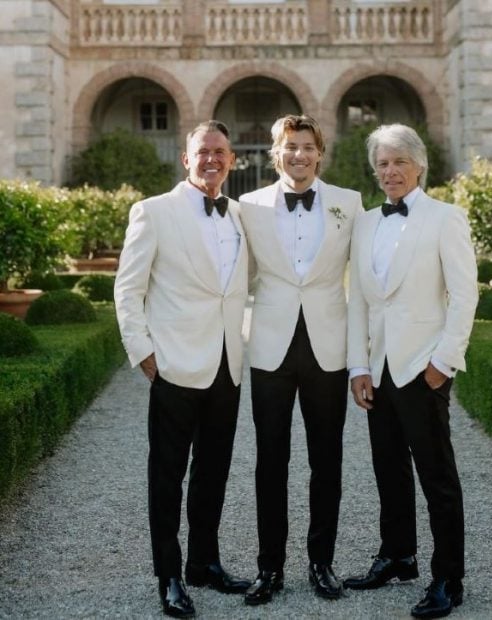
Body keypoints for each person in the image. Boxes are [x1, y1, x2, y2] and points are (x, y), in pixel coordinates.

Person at [114, 120, 251, 618]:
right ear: (185, 158)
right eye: (202, 152)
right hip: (172, 365)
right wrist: (143, 351)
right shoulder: (153, 212)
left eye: (220, 152)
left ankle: (204, 563)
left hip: (227, 366)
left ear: (231, 160)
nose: (211, 159)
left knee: (213, 473)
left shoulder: (240, 214)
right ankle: (168, 574)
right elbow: (127, 289)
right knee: (167, 475)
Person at [344, 123, 478, 619]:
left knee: (437, 476)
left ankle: (449, 576)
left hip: (424, 367)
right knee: (388, 470)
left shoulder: (446, 218)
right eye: (382, 163)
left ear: (419, 165)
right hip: (377, 369)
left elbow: (465, 295)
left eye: (399, 161)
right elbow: (358, 297)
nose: (390, 171)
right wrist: (358, 364)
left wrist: (442, 363)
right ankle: (398, 555)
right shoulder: (364, 223)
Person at [238, 114, 363, 606]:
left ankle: (321, 563)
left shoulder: (349, 204)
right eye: (290, 146)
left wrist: (362, 359)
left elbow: (369, 282)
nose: (299, 155)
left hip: (328, 345)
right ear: (276, 152)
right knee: (270, 461)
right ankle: (269, 568)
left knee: (326, 459)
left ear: (320, 152)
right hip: (269, 344)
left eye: (308, 146)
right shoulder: (248, 206)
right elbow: (232, 277)